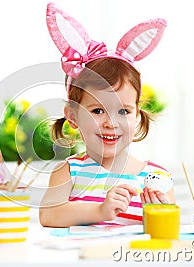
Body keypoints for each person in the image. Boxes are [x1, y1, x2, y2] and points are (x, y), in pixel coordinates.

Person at [39, 3, 175, 228]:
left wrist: (160, 213)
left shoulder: (157, 177)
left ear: (136, 114)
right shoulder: (69, 171)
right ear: (72, 116)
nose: (111, 123)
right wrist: (100, 210)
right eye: (97, 110)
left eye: (124, 111)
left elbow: (168, 232)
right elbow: (49, 215)